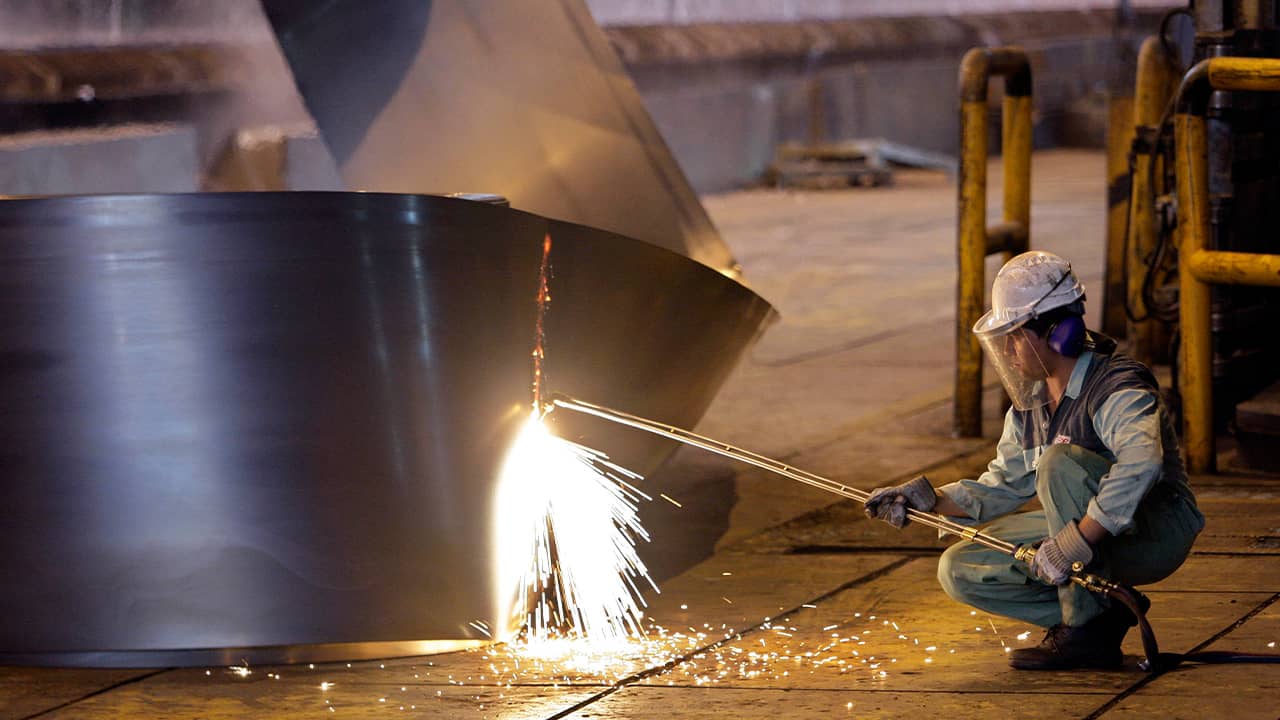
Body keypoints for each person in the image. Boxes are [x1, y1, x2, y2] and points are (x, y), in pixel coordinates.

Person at [865, 250, 1204, 670]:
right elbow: (1001, 485)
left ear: (1059, 334)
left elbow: (1142, 464)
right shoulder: (1033, 406)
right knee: (962, 565)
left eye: (1016, 335)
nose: (1008, 350)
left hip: (1156, 531)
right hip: (1097, 536)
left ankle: (1081, 627)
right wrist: (929, 500)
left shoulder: (1117, 386)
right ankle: (1101, 620)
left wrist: (1075, 542)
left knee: (1059, 463)